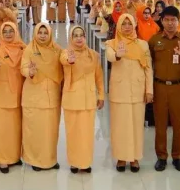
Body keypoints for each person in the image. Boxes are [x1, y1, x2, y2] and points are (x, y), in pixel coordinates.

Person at [148, 6, 180, 172]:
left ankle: (178, 156)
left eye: (173, 20)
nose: (170, 23)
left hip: (179, 86)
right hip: (159, 86)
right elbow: (148, 64)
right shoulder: (154, 40)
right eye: (166, 20)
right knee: (160, 124)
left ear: (178, 21)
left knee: (178, 123)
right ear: (161, 21)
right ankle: (161, 156)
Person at [106, 14, 153, 172]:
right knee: (120, 126)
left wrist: (149, 90)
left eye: (129, 23)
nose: (127, 27)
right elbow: (110, 56)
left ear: (134, 25)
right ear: (119, 26)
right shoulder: (112, 43)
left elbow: (148, 68)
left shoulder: (143, 45)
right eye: (123, 24)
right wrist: (117, 55)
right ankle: (121, 157)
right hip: (120, 91)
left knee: (136, 126)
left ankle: (134, 158)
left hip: (138, 90)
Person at [60, 26, 104, 174]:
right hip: (72, 98)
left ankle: (85, 162)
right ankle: (74, 162)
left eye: (81, 35)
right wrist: (70, 60)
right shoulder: (66, 53)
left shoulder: (93, 55)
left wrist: (101, 95)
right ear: (71, 38)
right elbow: (64, 60)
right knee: (73, 132)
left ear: (85, 37)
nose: (79, 38)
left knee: (86, 133)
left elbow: (99, 77)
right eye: (75, 35)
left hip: (88, 98)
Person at [20, 23, 63, 171]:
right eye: (40, 33)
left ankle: (50, 160)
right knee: (35, 129)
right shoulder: (29, 49)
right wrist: (30, 72)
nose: (43, 36)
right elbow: (23, 67)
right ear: (35, 34)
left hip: (52, 95)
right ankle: (35, 160)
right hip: (34, 95)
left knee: (51, 130)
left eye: (45, 33)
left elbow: (64, 60)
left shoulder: (56, 49)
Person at [0, 22, 25, 173]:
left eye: (11, 31)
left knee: (15, 128)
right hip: (0, 95)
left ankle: (14, 157)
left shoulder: (22, 49)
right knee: (1, 129)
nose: (8, 34)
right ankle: (2, 159)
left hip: (17, 93)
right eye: (5, 31)